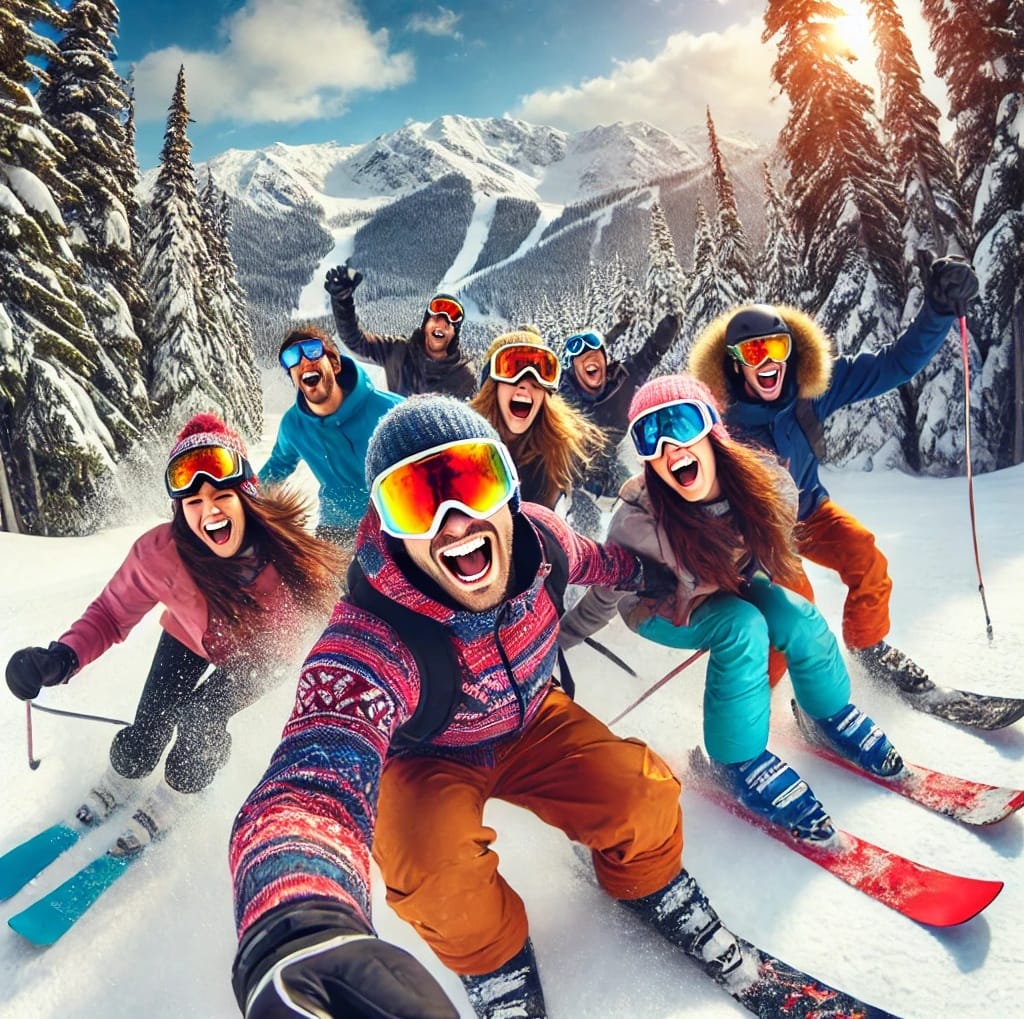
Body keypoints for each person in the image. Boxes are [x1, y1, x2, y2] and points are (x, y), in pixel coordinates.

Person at [227, 396, 814, 1019]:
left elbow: (600, 559)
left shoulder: (543, 542)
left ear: (506, 488)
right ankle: (493, 960)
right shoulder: (369, 639)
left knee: (642, 797)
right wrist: (296, 925)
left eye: (473, 483)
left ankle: (647, 882)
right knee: (433, 869)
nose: (454, 522)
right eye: (415, 500)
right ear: (388, 523)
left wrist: (652, 577)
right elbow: (305, 787)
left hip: (536, 720)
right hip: (426, 758)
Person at [560, 375, 905, 842]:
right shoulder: (637, 524)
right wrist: (559, 641)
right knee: (741, 628)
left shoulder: (764, 484)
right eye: (649, 435)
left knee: (798, 617)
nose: (669, 447)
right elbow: (605, 593)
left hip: (730, 584)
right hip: (660, 608)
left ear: (712, 432)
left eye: (683, 423)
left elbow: (775, 550)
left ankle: (828, 712)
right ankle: (737, 759)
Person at [5, 413, 346, 855]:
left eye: (222, 495)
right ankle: (122, 776)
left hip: (263, 656)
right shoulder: (160, 553)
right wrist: (61, 657)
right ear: (181, 511)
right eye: (194, 502)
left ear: (247, 498)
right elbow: (111, 613)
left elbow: (336, 624)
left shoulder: (287, 559)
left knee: (201, 719)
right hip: (189, 637)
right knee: (146, 731)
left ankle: (177, 793)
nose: (210, 511)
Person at [686, 253, 980, 692]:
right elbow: (683, 480)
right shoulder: (718, 421)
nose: (768, 361)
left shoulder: (809, 391)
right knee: (795, 606)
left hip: (808, 511)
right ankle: (750, 703)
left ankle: (868, 648)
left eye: (777, 347)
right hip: (759, 534)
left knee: (865, 555)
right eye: (753, 351)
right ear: (735, 363)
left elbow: (894, 365)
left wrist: (937, 310)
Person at [261, 326, 403, 547]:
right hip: (336, 530)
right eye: (292, 358)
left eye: (313, 351)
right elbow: (278, 465)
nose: (305, 362)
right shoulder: (293, 425)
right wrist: (241, 495)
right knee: (323, 581)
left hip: (393, 523)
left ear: (335, 365)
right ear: (293, 378)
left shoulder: (390, 409)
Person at [558, 313, 680, 519]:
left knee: (640, 496)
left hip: (612, 460)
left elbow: (648, 358)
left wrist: (662, 339)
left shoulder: (622, 379)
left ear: (605, 360)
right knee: (584, 514)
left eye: (595, 351)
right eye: (580, 356)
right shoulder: (561, 397)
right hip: (575, 476)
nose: (589, 356)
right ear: (573, 368)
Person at [469, 328, 606, 511]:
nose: (526, 383)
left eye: (540, 372)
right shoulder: (465, 448)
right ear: (491, 387)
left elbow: (598, 479)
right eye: (511, 369)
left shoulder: (562, 448)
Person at [324, 261, 476, 398]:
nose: (441, 326)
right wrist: (342, 302)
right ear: (425, 325)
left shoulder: (463, 376)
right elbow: (356, 341)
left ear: (454, 334)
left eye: (448, 324)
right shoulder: (399, 352)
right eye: (436, 319)